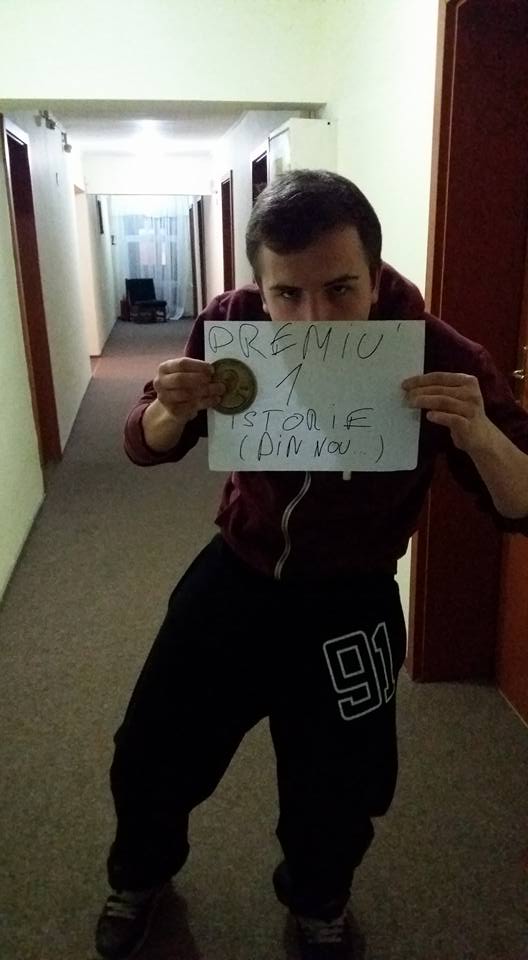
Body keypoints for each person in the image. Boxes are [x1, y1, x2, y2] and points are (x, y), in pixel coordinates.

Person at [95, 169, 528, 960]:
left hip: (351, 598)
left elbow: (521, 502)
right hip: (237, 572)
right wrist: (169, 410)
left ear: (376, 272)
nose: (314, 319)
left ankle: (319, 898)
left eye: (339, 289)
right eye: (287, 295)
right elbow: (145, 445)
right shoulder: (230, 325)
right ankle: (139, 875)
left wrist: (480, 433)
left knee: (341, 784)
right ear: (260, 286)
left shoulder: (436, 351)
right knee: (153, 747)